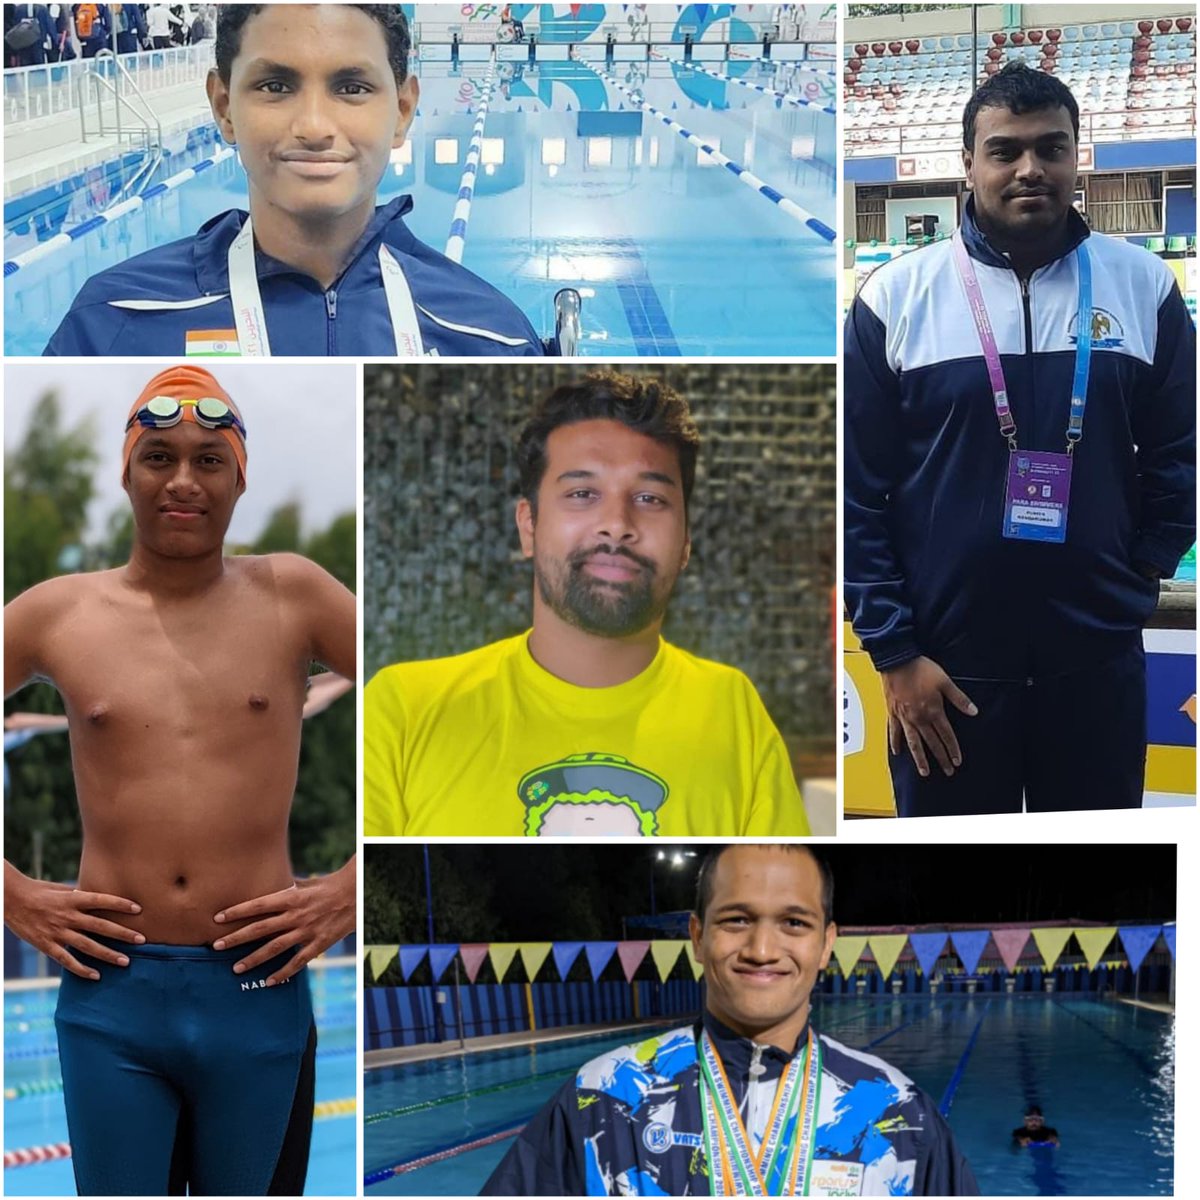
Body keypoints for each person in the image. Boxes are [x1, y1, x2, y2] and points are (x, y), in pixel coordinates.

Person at [2, 364, 357, 1196]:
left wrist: (354, 883)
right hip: (111, 996)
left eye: (209, 459)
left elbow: (442, 706)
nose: (183, 481)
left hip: (257, 986)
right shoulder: (58, 614)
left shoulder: (294, 594)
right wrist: (10, 892)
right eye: (158, 455)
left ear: (241, 477)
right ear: (125, 470)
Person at [844, 63, 1196, 816]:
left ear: (1078, 157)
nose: (1030, 168)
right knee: (952, 891)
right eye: (1005, 150)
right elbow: (853, 490)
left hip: (1095, 662)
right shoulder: (896, 299)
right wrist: (896, 653)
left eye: (1051, 147)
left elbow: (1183, 453)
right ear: (967, 166)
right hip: (945, 671)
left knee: (1096, 885)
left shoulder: (1145, 287)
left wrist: (1138, 576)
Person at [364, 371, 809, 836]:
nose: (616, 524)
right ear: (529, 526)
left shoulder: (733, 712)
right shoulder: (406, 710)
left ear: (685, 544)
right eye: (582, 494)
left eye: (649, 497)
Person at [44, 4, 544, 357]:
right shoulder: (113, 320)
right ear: (224, 107)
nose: (313, 127)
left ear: (402, 111)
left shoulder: (490, 335)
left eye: (351, 87)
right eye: (275, 86)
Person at [483, 844, 980, 1196]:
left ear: (827, 942)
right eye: (736, 919)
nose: (762, 950)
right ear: (697, 936)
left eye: (793, 923)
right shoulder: (602, 1099)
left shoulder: (900, 1112)